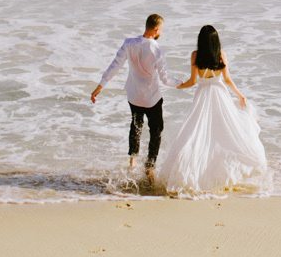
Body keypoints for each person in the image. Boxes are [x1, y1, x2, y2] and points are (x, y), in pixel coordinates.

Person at [159, 24, 270, 195]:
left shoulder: (195, 55)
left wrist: (179, 86)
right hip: (220, 94)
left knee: (198, 134)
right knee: (226, 132)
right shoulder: (221, 55)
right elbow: (227, 80)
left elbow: (192, 81)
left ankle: (197, 173)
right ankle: (227, 172)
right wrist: (240, 96)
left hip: (203, 96)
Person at [90, 13, 181, 180]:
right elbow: (165, 78)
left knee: (136, 125)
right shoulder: (158, 50)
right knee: (156, 130)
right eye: (161, 29)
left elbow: (115, 65)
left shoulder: (129, 43)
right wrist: (182, 83)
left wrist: (100, 85)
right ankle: (149, 166)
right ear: (155, 30)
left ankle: (133, 160)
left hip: (133, 95)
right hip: (151, 98)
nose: (161, 32)